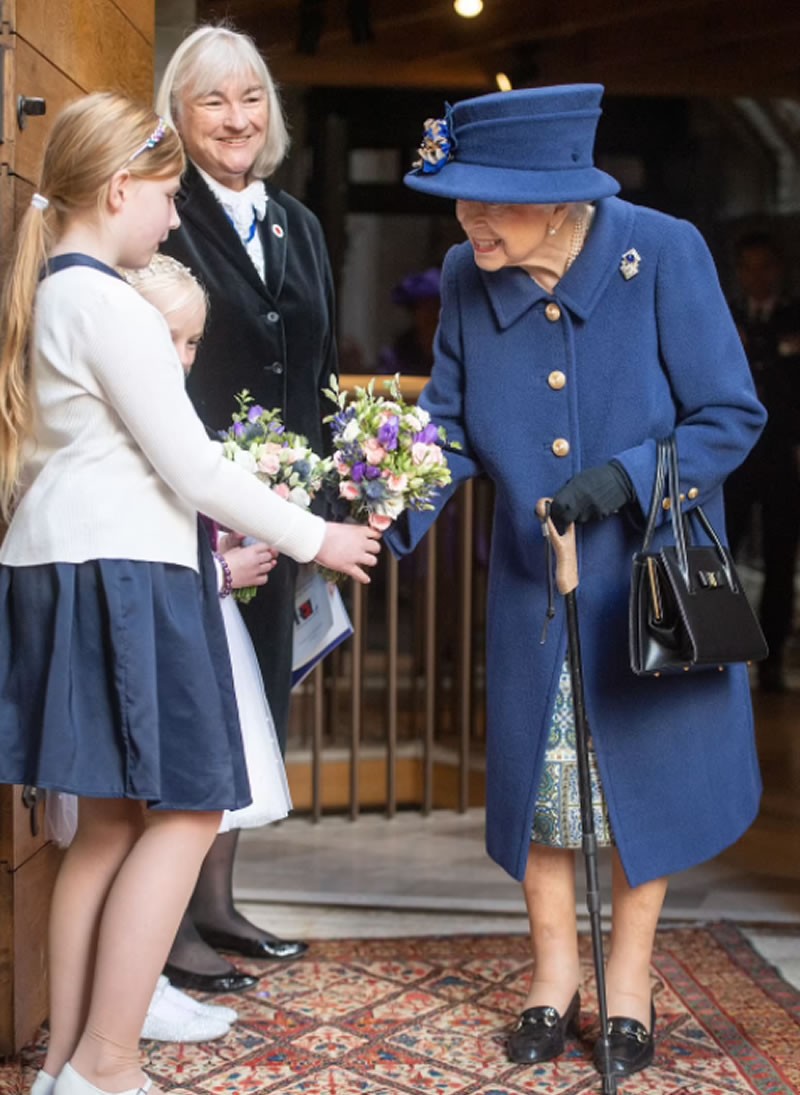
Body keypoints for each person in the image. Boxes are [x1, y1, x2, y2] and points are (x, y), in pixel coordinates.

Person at [0, 92, 379, 1095]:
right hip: (124, 574)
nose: (174, 221)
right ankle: (109, 1063)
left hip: (70, 568)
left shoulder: (57, 293)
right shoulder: (109, 304)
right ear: (119, 188)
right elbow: (193, 469)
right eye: (165, 198)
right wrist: (318, 535)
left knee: (114, 826)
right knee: (191, 810)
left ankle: (68, 1068)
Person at [388, 84, 766, 1078]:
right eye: (458, 204)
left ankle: (628, 981)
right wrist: (379, 503)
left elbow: (729, 416)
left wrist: (627, 479)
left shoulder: (662, 252)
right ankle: (550, 978)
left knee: (640, 786)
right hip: (533, 589)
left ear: (557, 198)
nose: (465, 226)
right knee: (545, 792)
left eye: (485, 203)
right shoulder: (469, 275)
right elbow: (449, 423)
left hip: (643, 585)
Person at [155, 23, 336, 985]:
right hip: (194, 504)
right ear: (178, 119)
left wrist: (337, 487)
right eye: (213, 100)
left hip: (284, 507)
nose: (236, 117)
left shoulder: (299, 223)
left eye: (251, 98)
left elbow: (318, 365)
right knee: (197, 704)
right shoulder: (162, 214)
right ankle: (169, 921)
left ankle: (217, 903)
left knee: (257, 698)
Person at [724, 232, 800, 691]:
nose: (757, 276)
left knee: (780, 553)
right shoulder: (726, 317)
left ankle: (770, 655)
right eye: (748, 267)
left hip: (783, 455)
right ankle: (721, 642)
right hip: (733, 456)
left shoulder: (794, 318)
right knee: (721, 548)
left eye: (764, 267)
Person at [377, 267, 441, 374]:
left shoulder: (463, 354)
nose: (433, 316)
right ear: (414, 313)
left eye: (437, 307)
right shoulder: (395, 358)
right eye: (426, 309)